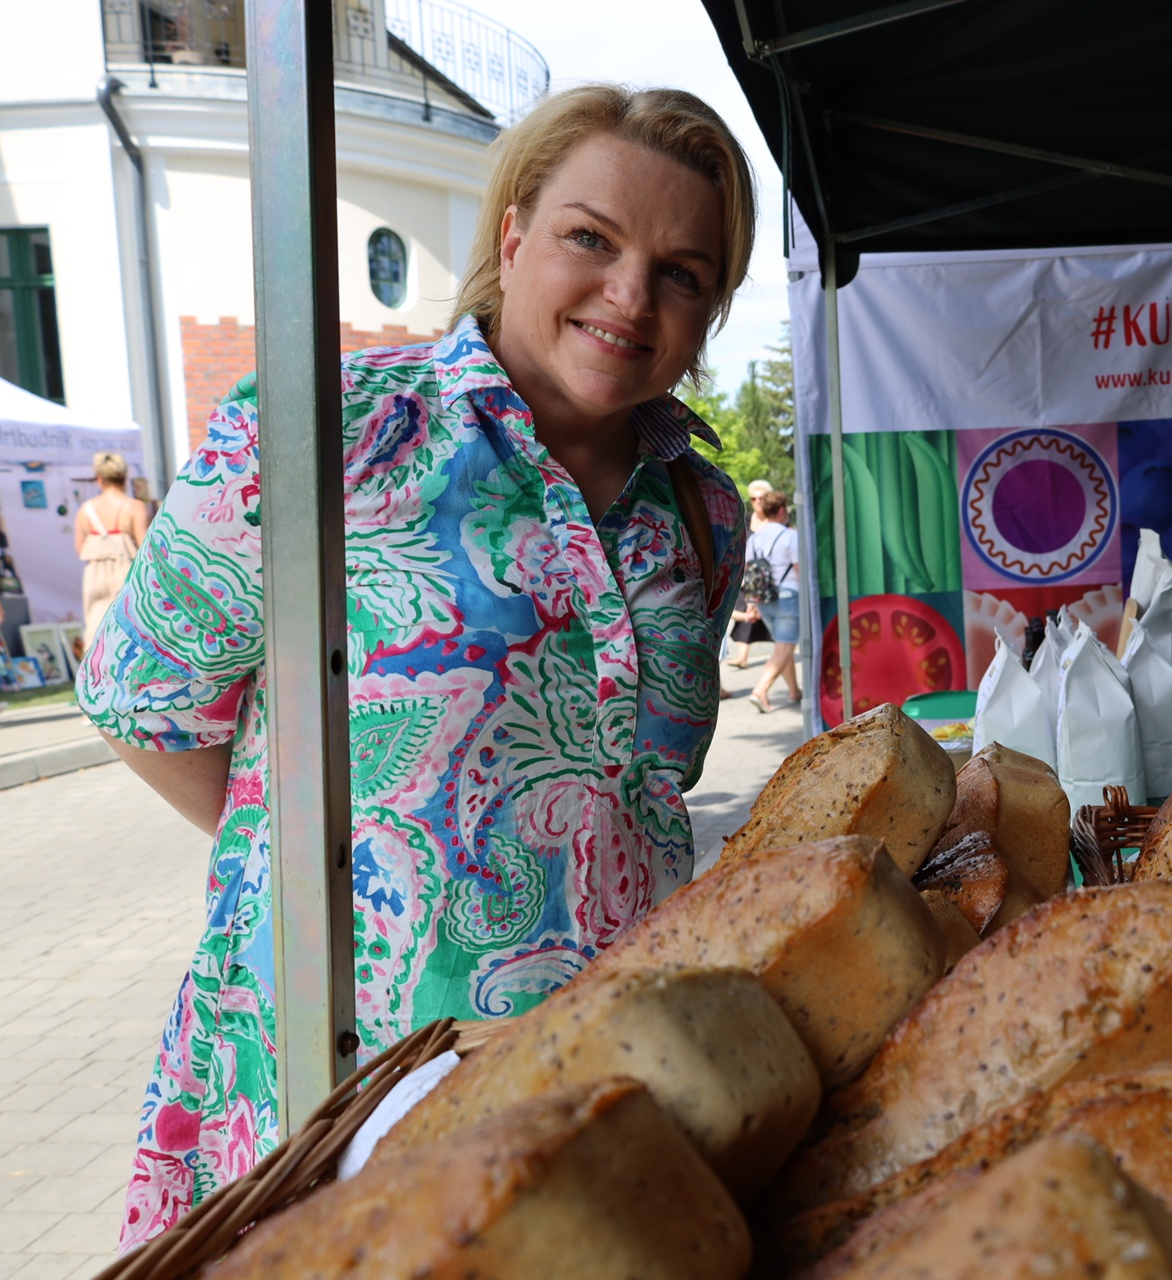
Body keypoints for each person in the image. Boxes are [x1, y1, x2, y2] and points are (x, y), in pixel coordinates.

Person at [77, 84, 755, 1247]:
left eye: (682, 273)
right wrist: (343, 861)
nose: (631, 295)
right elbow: (143, 703)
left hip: (613, 1095)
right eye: (592, 238)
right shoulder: (321, 433)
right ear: (514, 236)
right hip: (338, 1099)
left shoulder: (703, 509)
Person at [74, 450, 149, 647]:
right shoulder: (135, 507)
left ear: (99, 478)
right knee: (131, 626)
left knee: (95, 627)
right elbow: (145, 547)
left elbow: (79, 548)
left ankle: (95, 664)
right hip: (125, 570)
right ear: (124, 477)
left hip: (94, 574)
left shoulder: (86, 509)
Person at [746, 488, 802, 713]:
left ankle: (794, 691)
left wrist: (751, 604)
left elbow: (749, 571)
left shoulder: (754, 538)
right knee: (785, 646)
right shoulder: (790, 536)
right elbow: (799, 570)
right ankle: (760, 690)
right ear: (781, 511)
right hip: (788, 596)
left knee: (782, 645)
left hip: (763, 599)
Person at [726, 476, 774, 667]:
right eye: (754, 498)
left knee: (770, 616)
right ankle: (743, 656)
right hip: (746, 574)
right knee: (743, 607)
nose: (757, 502)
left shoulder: (775, 521)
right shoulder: (745, 520)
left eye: (761, 498)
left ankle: (783, 653)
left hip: (769, 575)